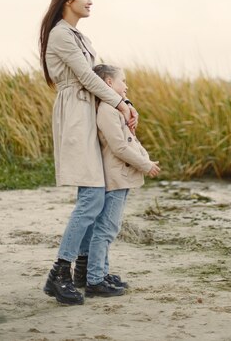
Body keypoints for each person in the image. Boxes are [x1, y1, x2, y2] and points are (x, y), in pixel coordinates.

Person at [39, 0, 137, 306]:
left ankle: (83, 271)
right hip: (75, 117)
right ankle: (59, 272)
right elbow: (85, 76)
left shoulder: (78, 34)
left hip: (87, 114)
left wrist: (124, 103)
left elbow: (95, 78)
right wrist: (120, 103)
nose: (90, 0)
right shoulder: (60, 35)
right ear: (68, 0)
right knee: (92, 198)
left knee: (94, 194)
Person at [73, 64, 160, 298]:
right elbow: (120, 146)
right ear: (109, 84)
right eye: (123, 81)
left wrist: (145, 157)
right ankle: (94, 280)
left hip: (121, 176)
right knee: (106, 229)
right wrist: (145, 164)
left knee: (107, 227)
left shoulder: (114, 109)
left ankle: (101, 272)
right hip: (116, 177)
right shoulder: (108, 112)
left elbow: (130, 140)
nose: (127, 86)